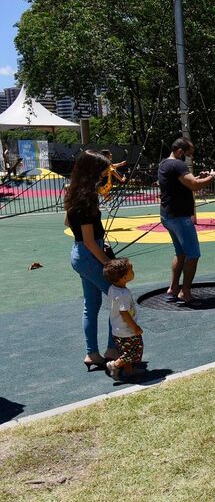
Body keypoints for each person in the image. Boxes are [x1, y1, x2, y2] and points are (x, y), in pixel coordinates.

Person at [64, 150, 118, 370]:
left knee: (92, 304)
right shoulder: (87, 199)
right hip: (89, 255)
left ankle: (92, 353)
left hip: (80, 254)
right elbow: (88, 241)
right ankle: (112, 348)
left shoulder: (74, 193)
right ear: (92, 172)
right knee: (118, 297)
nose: (104, 177)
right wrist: (108, 262)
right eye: (102, 173)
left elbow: (68, 223)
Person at [158, 137, 215, 303]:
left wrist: (199, 178)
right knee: (193, 254)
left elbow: (184, 183)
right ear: (180, 151)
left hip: (167, 215)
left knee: (181, 253)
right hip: (180, 217)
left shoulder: (164, 163)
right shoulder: (178, 164)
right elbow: (194, 185)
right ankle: (185, 292)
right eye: (187, 154)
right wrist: (212, 176)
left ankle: (172, 289)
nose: (188, 158)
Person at [103, 258, 144, 381]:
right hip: (127, 330)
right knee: (134, 351)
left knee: (126, 350)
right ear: (124, 277)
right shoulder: (123, 294)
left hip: (117, 329)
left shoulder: (112, 288)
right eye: (131, 271)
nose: (133, 272)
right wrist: (135, 327)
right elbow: (124, 314)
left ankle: (128, 371)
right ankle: (114, 365)